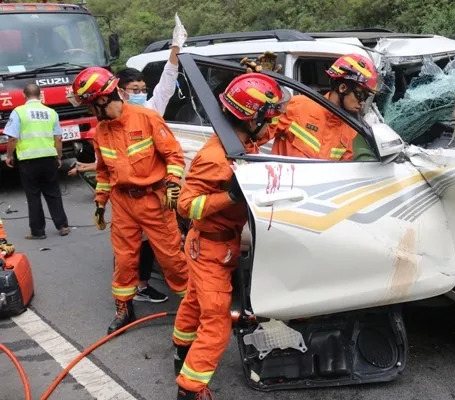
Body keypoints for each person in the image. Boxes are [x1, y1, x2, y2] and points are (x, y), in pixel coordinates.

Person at [172, 73, 290, 400]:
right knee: (216, 322)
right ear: (250, 119)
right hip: (208, 247)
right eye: (267, 119)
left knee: (195, 301)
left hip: (219, 245)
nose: (271, 126)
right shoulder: (215, 157)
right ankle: (190, 388)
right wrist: (231, 197)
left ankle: (181, 349)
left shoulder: (240, 141)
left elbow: (274, 127)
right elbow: (185, 206)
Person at [69, 13, 188, 304]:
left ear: (99, 100)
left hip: (154, 200)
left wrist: (172, 185)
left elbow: (173, 155)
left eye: (88, 105)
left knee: (172, 257)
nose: (88, 111)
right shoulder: (101, 131)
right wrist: (100, 205)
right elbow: (104, 173)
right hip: (123, 204)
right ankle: (123, 307)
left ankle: (191, 304)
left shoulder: (147, 117)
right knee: (124, 260)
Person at [265, 53, 379, 161]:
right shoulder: (297, 107)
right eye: (360, 95)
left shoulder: (351, 130)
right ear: (343, 88)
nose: (363, 102)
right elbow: (253, 140)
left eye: (366, 97)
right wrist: (261, 96)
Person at [4, 83, 70, 239]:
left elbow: (12, 138)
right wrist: (58, 156)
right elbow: (58, 138)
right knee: (53, 193)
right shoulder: (51, 112)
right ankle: (63, 226)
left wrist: (9, 155)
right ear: (40, 95)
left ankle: (38, 232)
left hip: (28, 160)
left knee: (33, 195)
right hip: (48, 159)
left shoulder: (18, 112)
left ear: (24, 95)